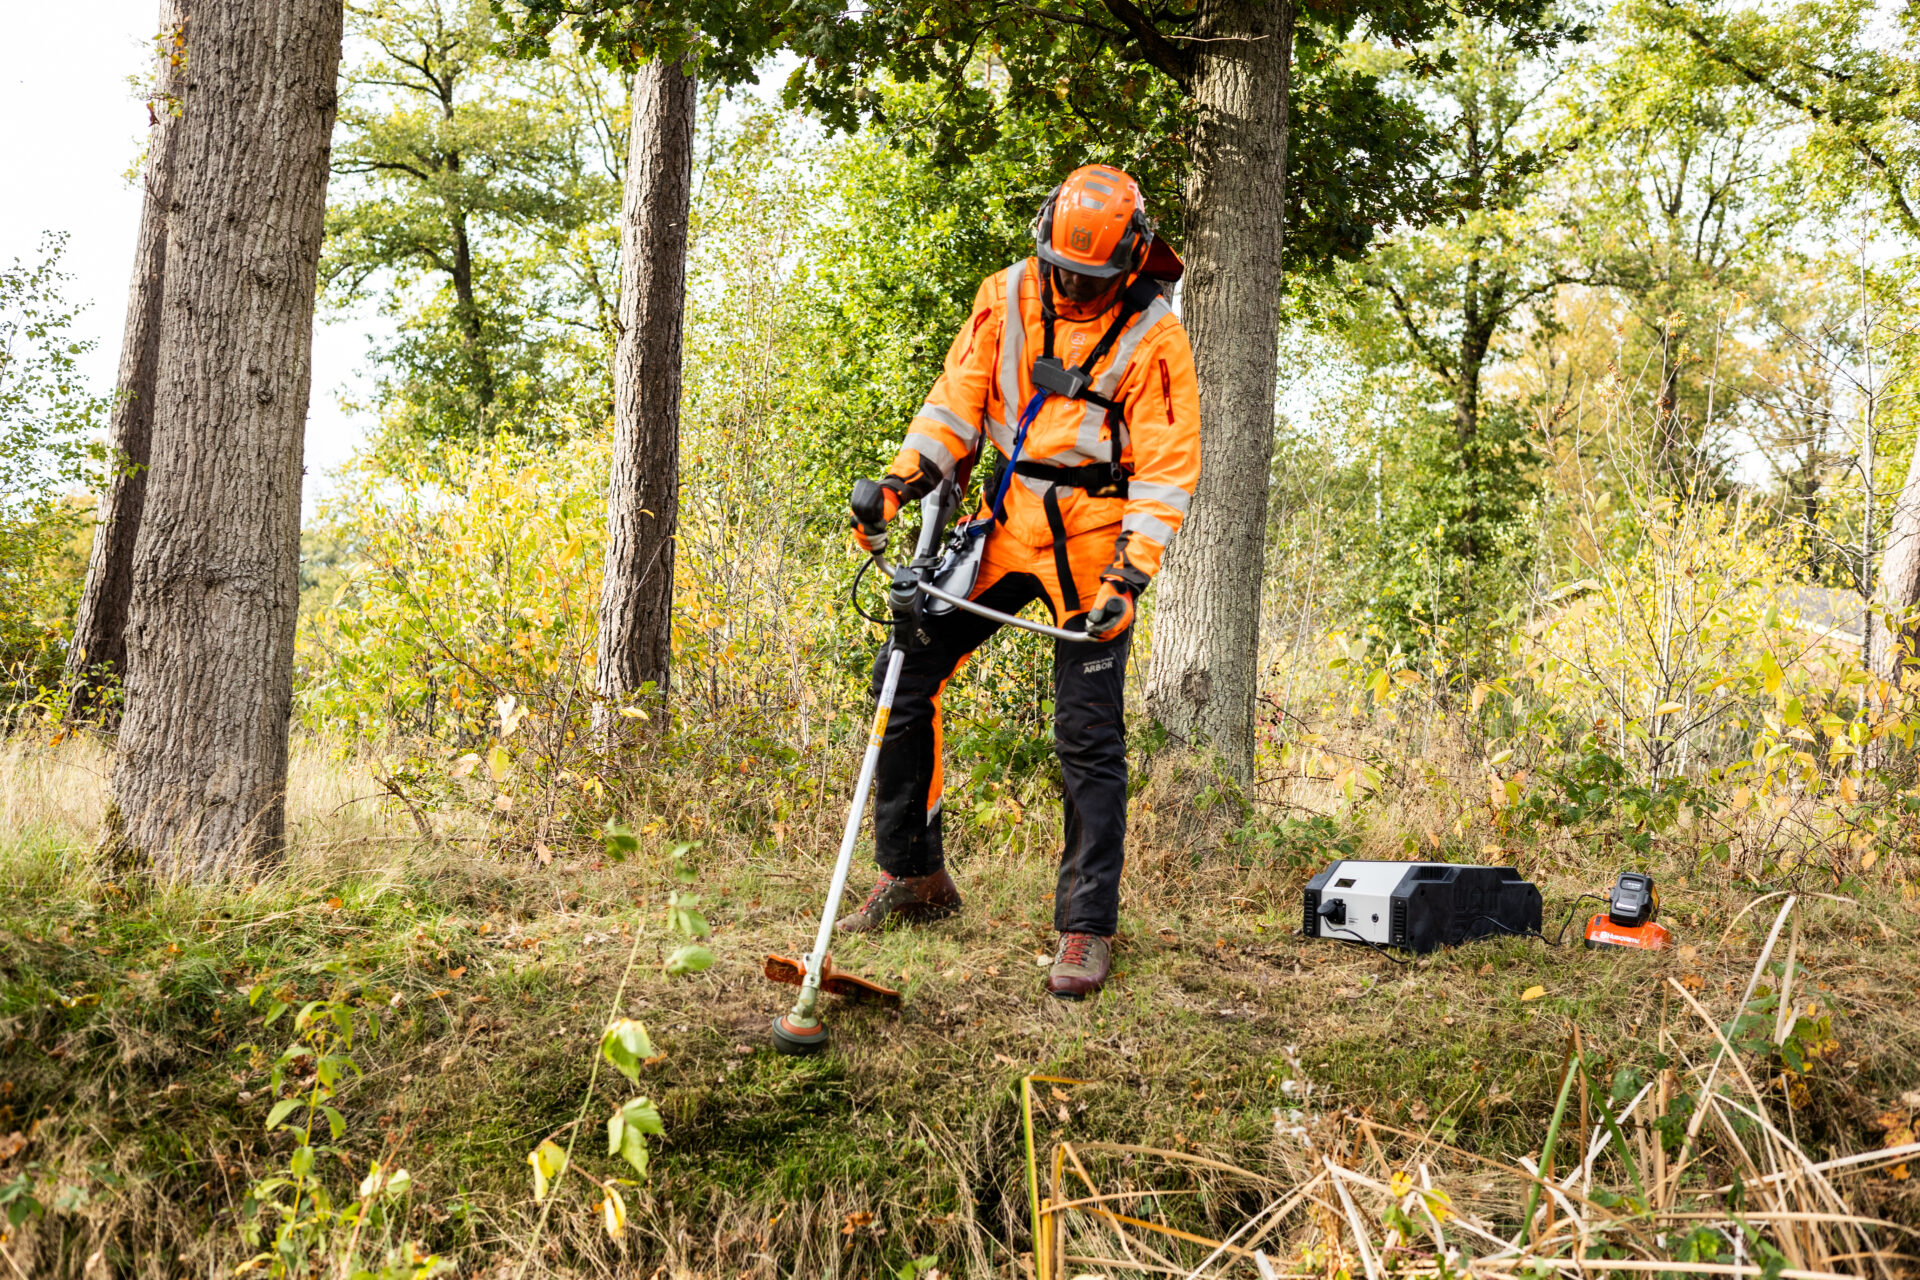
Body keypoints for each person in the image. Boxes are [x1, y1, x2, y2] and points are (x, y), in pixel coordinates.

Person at [841, 164, 1201, 1000]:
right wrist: (898, 483)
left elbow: (1168, 470)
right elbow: (954, 406)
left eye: (1094, 277)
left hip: (1097, 544)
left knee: (1087, 732)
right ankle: (914, 877)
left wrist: (1131, 578)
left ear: (1133, 259)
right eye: (1065, 269)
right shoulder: (1004, 296)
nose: (1075, 287)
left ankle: (1085, 927)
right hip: (1007, 525)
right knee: (904, 672)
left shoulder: (1156, 338)